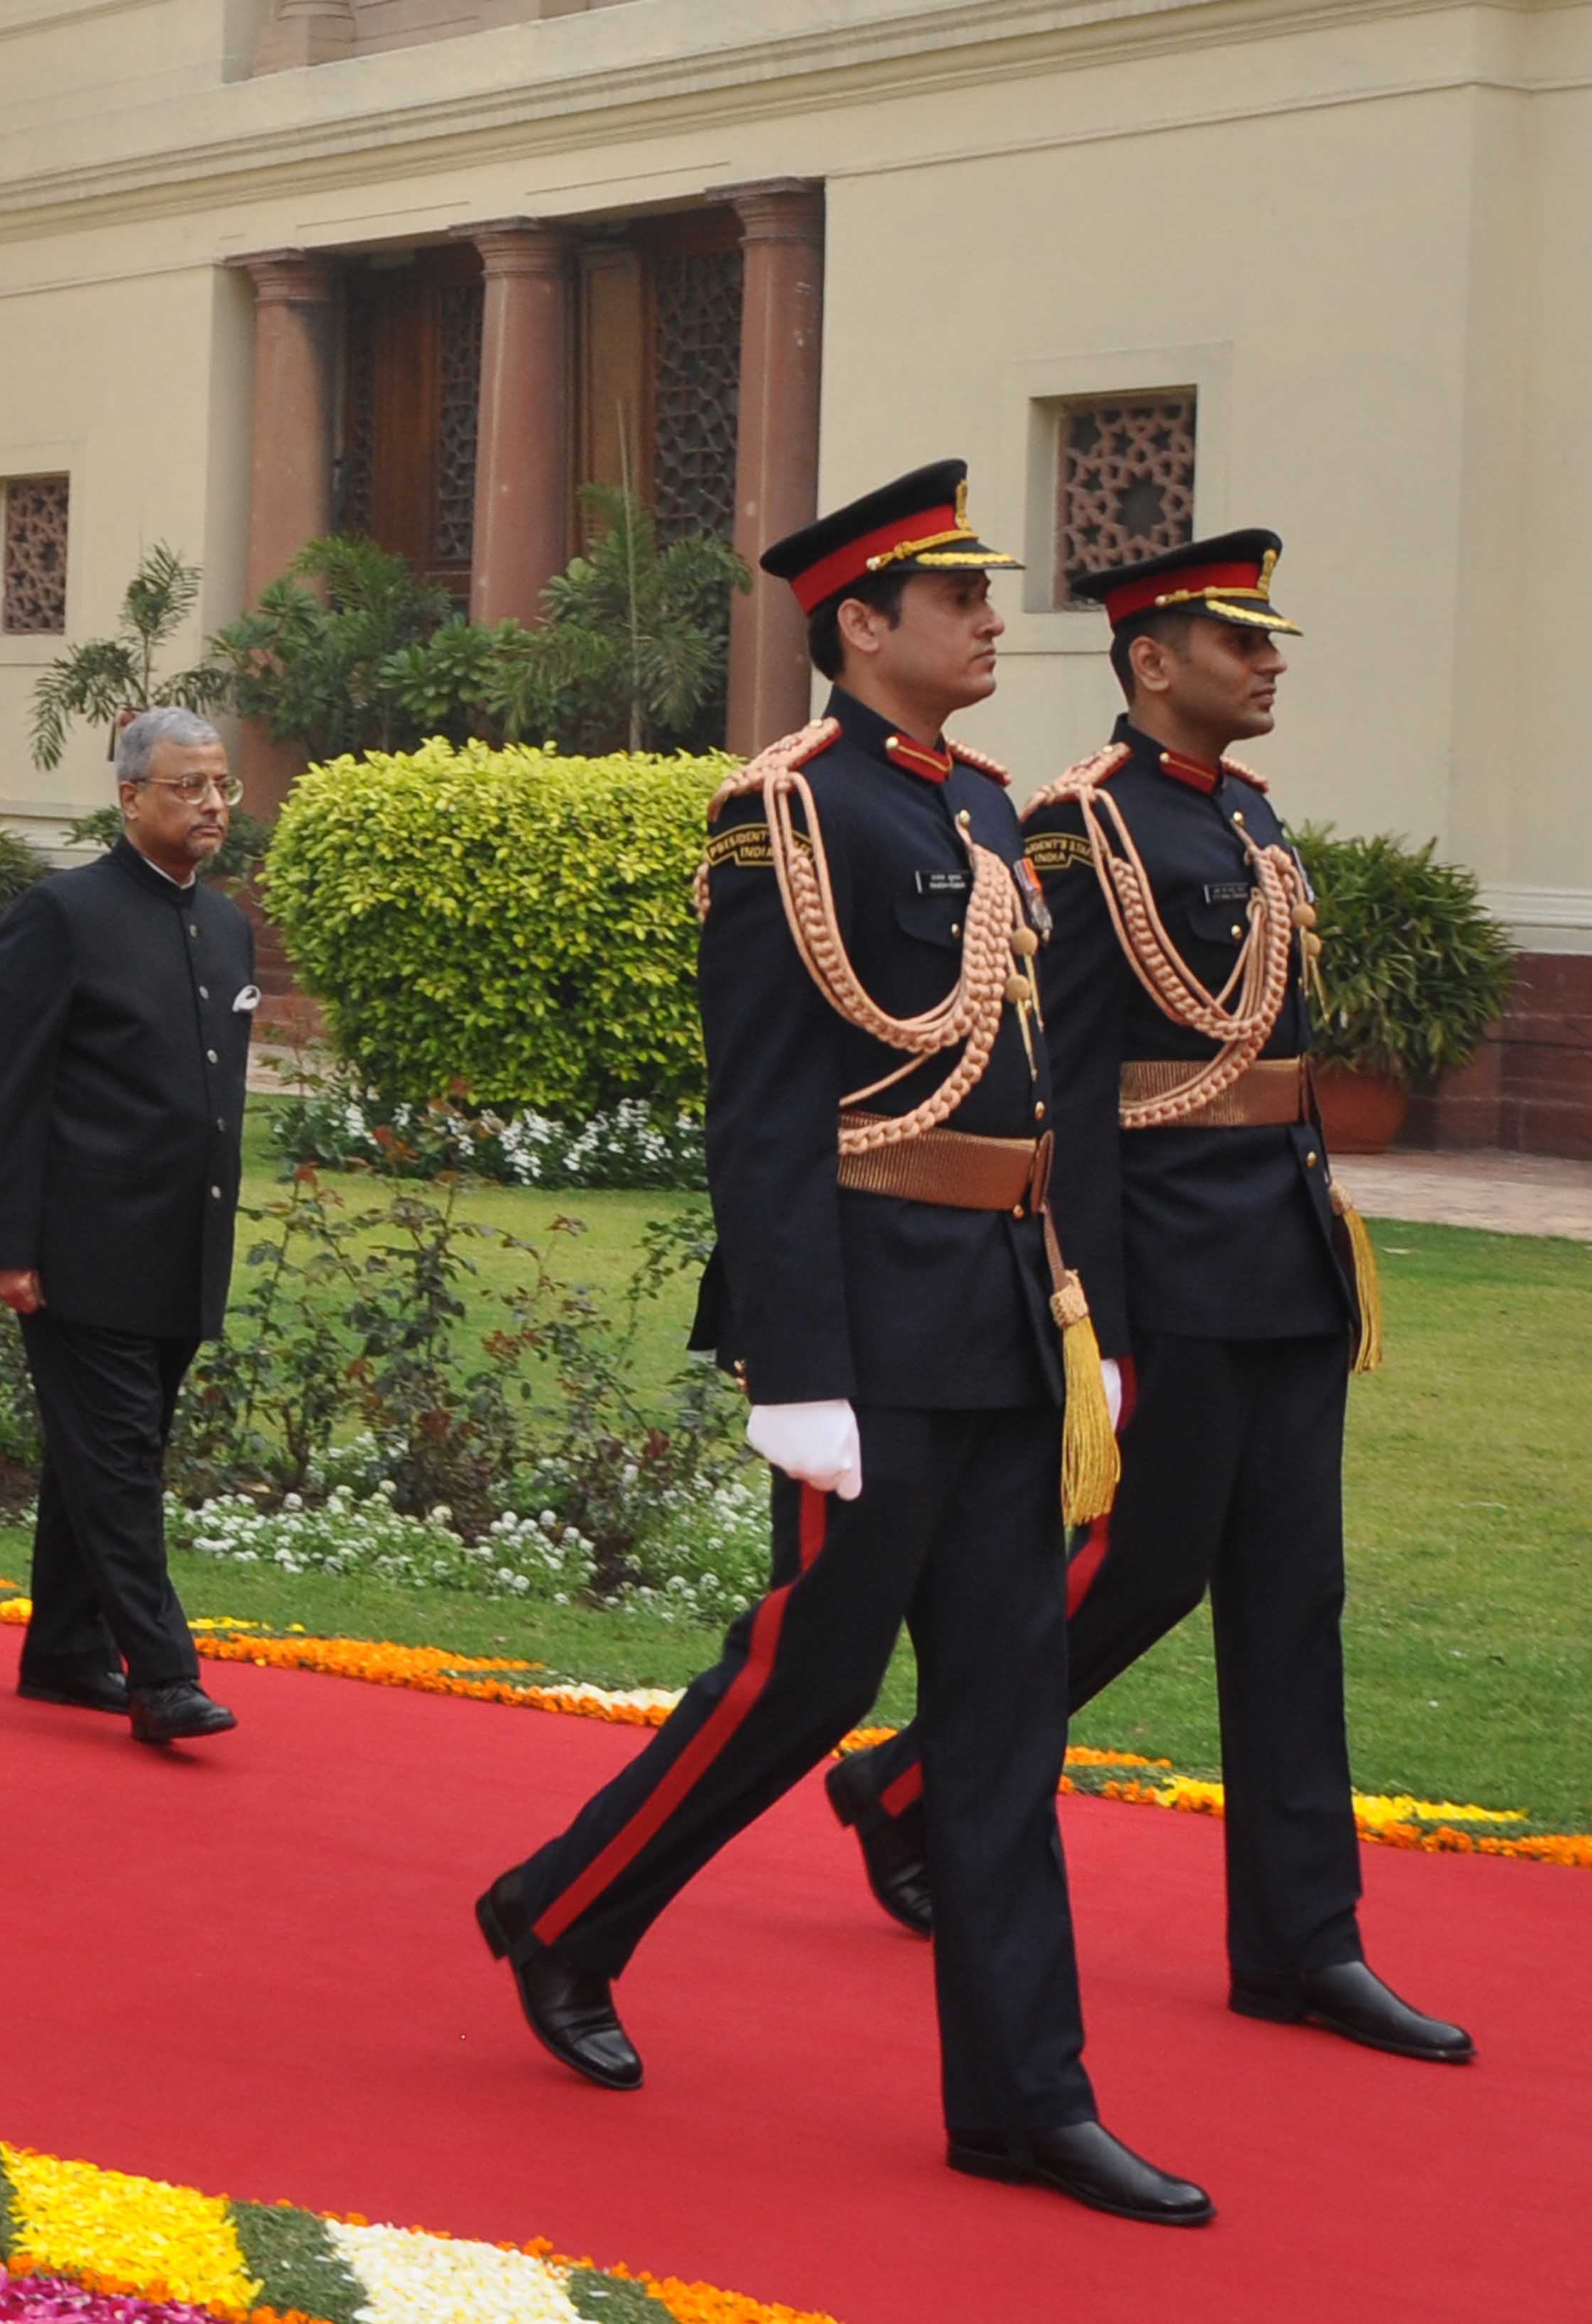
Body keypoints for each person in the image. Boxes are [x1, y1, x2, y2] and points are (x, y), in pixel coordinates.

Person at [473, 463, 1212, 2227]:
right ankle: (563, 1912)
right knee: (805, 1679)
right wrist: (795, 1366)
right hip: (873, 1327)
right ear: (860, 623)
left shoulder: (972, 809)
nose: (987, 620)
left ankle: (1028, 2097)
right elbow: (771, 1109)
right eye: (954, 597)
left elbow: (1030, 1097)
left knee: (1008, 1720)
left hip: (1000, 1316)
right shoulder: (789, 813)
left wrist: (1079, 1321)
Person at [822, 532, 1471, 2066]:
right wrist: (1089, 1318)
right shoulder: (1071, 836)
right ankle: (912, 1780)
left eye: (1267, 641)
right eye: (1236, 641)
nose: (1267, 663)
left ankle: (1303, 1940)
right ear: (1150, 659)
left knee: (1290, 1600)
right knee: (1140, 1569)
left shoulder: (1244, 822)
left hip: (1281, 1261)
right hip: (1170, 1275)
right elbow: (1078, 1093)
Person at [0, 707, 251, 1747]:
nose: (212, 803)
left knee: (102, 1454)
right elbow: (7, 1090)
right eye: (187, 786)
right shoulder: (61, 913)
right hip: (77, 1246)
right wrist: (1, 1244)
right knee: (120, 1459)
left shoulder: (221, 924)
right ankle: (162, 1672)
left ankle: (62, 1649)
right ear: (129, 795)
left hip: (178, 1249)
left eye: (219, 785)